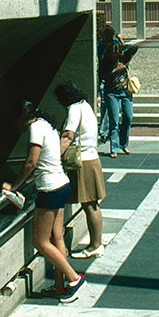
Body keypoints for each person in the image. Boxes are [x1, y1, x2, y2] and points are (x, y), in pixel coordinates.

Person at [1, 100, 87, 301]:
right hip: (62, 185)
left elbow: (31, 163)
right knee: (57, 237)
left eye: (16, 121)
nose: (16, 126)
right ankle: (59, 286)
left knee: (40, 241)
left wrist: (13, 186)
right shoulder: (46, 124)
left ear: (22, 117)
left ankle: (74, 279)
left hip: (49, 189)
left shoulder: (34, 128)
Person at [54, 81, 106, 257]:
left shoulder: (74, 109)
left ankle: (95, 246)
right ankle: (96, 243)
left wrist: (54, 156)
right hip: (92, 158)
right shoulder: (85, 106)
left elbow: (68, 135)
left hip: (83, 162)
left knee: (89, 205)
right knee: (91, 204)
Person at [102, 52, 134, 157]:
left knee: (128, 117)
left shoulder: (124, 60)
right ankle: (114, 148)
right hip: (111, 93)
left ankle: (124, 143)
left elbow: (134, 47)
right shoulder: (105, 64)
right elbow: (100, 79)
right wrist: (99, 94)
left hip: (125, 92)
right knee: (114, 120)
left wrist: (121, 46)